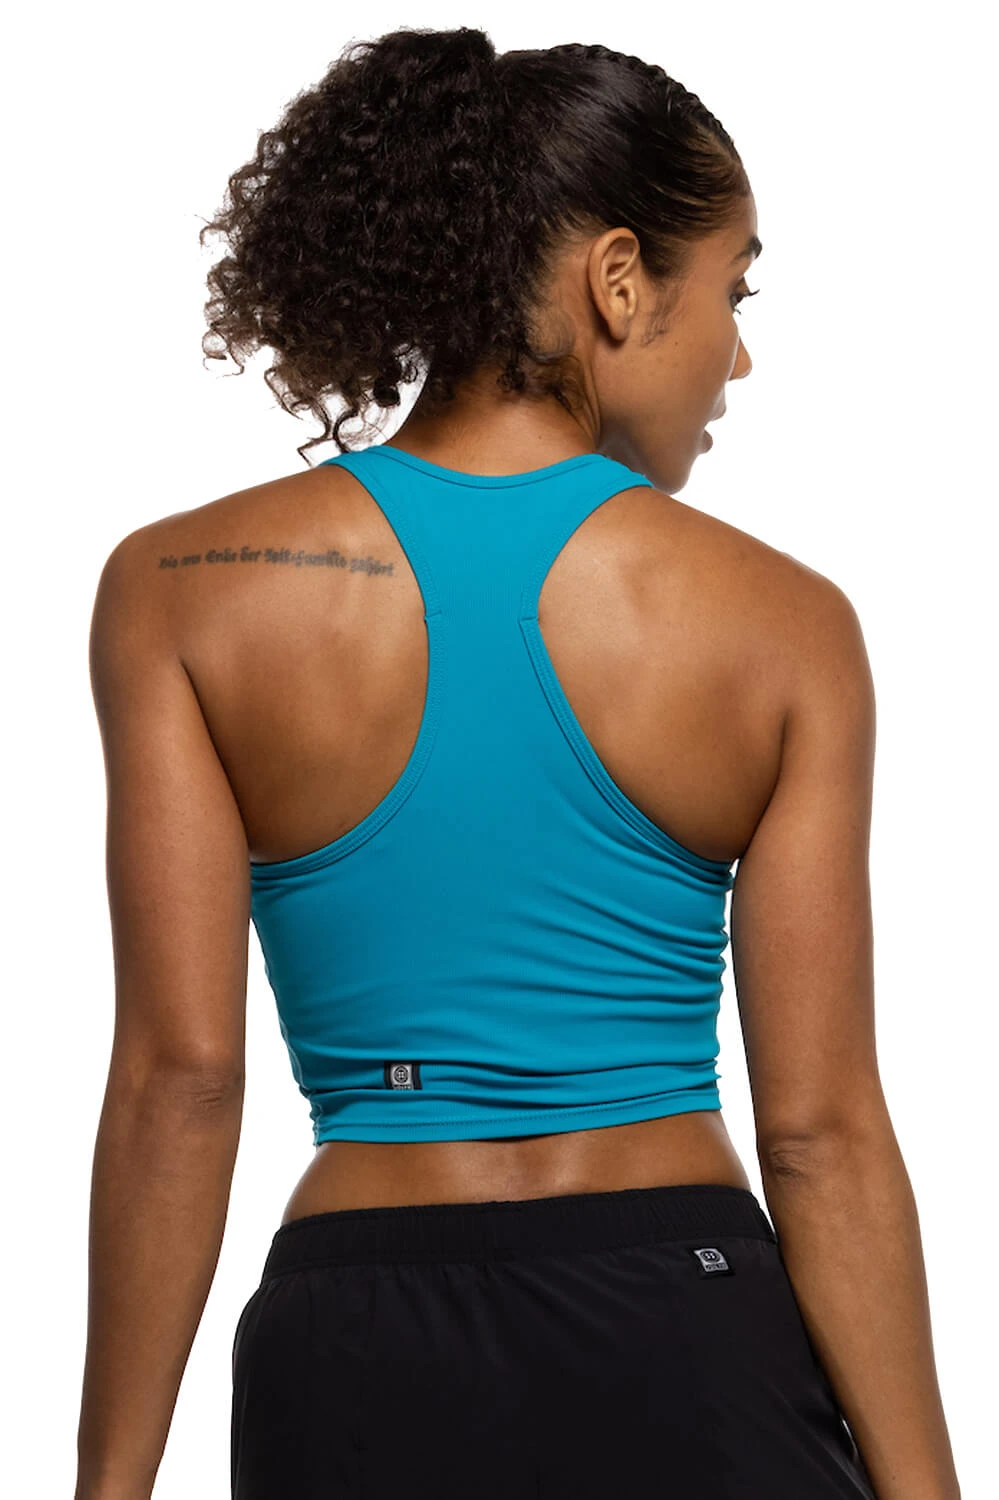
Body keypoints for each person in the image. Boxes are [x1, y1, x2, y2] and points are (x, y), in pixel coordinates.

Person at [75, 25, 962, 1500]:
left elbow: (180, 1083)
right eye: (732, 291)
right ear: (619, 280)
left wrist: (106, 1485)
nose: (739, 354)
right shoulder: (785, 623)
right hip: (681, 1320)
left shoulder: (180, 589)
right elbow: (820, 1135)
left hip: (356, 1334)